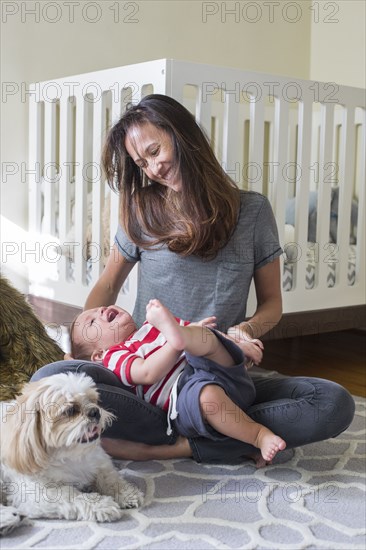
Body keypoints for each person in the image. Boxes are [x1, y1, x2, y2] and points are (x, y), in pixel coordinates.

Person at [32, 94, 355, 466]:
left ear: (183, 135)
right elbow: (107, 285)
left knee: (333, 403)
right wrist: (84, 338)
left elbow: (272, 304)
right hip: (148, 383)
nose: (152, 169)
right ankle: (229, 434)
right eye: (142, 163)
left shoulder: (252, 211)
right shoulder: (141, 212)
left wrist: (243, 331)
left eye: (155, 151)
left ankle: (183, 443)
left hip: (218, 376)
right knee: (52, 374)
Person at [71, 299, 287, 463]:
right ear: (98, 355)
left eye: (100, 308)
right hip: (185, 395)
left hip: (222, 373)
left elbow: (203, 338)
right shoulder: (115, 355)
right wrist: (176, 342)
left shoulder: (153, 325)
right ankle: (258, 435)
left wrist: (235, 345)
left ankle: (229, 349)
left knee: (204, 335)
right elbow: (148, 373)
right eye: (91, 321)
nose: (100, 311)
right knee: (207, 395)